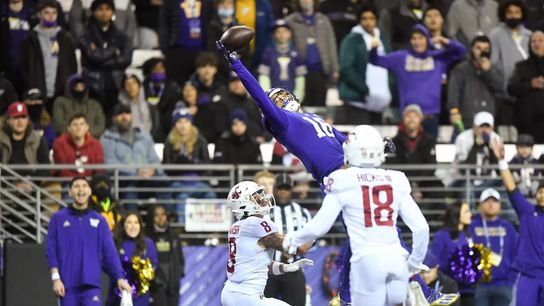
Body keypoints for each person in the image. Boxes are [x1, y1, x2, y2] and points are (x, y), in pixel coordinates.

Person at [218, 37, 454, 305]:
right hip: (339, 176)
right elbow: (258, 93)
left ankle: (346, 297)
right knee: (387, 232)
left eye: (283, 94)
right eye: (276, 99)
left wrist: (377, 144)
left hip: (352, 172)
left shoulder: (311, 118)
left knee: (364, 235)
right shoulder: (283, 123)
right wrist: (237, 63)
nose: (283, 97)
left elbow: (340, 137)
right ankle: (421, 293)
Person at [283, 125, 430, 306]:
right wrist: (414, 264)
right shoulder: (397, 178)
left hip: (367, 261)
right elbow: (422, 227)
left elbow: (319, 226)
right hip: (397, 259)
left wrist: (293, 239)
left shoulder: (342, 179)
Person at [221, 180, 314, 306]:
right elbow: (286, 244)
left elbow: (262, 266)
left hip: (232, 292)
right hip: (246, 296)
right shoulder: (256, 224)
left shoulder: (237, 226)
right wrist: (315, 229)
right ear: (242, 204)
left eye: (260, 193)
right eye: (255, 196)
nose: (262, 198)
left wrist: (285, 268)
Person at [45, 176, 132, 305]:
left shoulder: (100, 221)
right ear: (70, 192)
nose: (81, 190)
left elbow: (110, 252)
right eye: (76, 186)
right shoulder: (58, 218)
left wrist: (119, 277)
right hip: (66, 287)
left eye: (84, 186)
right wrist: (56, 279)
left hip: (92, 287)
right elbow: (51, 251)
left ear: (90, 191)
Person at [369, 24, 466, 138]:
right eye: (414, 38)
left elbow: (461, 51)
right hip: (409, 117)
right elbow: (376, 60)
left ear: (427, 39)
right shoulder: (400, 58)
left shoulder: (438, 58)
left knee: (429, 153)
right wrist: (374, 49)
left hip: (430, 116)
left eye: (421, 38)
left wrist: (444, 41)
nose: (417, 42)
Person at [491, 138, 544, 306]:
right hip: (527, 276)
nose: (542, 195)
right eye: (540, 191)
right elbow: (511, 188)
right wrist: (501, 161)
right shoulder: (528, 211)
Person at [100, 103, 170, 210]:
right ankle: (132, 224)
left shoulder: (144, 137)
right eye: (120, 114)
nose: (124, 117)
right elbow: (110, 164)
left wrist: (153, 170)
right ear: (114, 118)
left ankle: (165, 222)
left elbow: (154, 160)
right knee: (129, 191)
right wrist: (136, 171)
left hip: (147, 179)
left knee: (163, 183)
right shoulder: (107, 139)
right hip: (124, 181)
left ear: (132, 116)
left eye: (127, 113)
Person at [338, 3, 393, 124]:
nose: (368, 22)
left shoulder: (382, 39)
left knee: (376, 141)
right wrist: (364, 89)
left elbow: (390, 65)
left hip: (379, 102)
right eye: (364, 19)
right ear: (359, 21)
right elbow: (346, 68)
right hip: (358, 101)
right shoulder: (352, 39)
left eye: (371, 18)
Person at [264, 173, 313, 306]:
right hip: (267, 269)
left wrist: (297, 249)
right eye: (280, 189)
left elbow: (311, 237)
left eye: (286, 189)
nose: (283, 193)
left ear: (291, 190)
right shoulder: (264, 211)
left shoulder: (302, 212)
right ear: (274, 189)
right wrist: (285, 245)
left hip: (293, 267)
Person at [20, 0, 77, 112]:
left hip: (60, 93)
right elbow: (24, 67)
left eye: (54, 13)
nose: (50, 16)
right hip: (37, 94)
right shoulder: (30, 39)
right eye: (46, 13)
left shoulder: (65, 38)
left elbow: (72, 65)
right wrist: (30, 86)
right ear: (39, 14)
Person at [80, 0, 132, 116]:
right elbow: (91, 56)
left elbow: (126, 59)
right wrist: (113, 51)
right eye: (100, 9)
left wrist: (101, 59)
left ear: (113, 12)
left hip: (115, 84)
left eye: (107, 9)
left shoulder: (121, 36)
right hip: (92, 85)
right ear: (93, 12)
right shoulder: (86, 35)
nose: (104, 13)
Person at [162, 108, 215, 221]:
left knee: (211, 195)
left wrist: (194, 163)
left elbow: (208, 166)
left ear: (190, 123)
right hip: (177, 182)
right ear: (175, 124)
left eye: (186, 121)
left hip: (198, 182)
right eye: (179, 122)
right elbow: (166, 167)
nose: (183, 125)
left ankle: (210, 231)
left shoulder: (200, 140)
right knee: (182, 198)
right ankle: (182, 231)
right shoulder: (169, 141)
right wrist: (178, 165)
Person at [469, 188, 517, 306]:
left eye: (494, 201)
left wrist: (511, 279)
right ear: (480, 205)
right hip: (480, 285)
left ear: (500, 205)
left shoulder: (508, 227)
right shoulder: (471, 226)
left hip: (504, 284)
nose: (491, 204)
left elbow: (516, 253)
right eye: (487, 201)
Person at [285, 0, 339, 106]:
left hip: (321, 71)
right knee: (300, 105)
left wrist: (335, 69)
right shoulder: (291, 21)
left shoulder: (323, 19)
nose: (306, 1)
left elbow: (331, 45)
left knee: (319, 106)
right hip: (299, 73)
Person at [489, 0, 532, 125]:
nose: (513, 16)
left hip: (525, 93)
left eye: (517, 12)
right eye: (510, 13)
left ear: (522, 14)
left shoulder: (530, 35)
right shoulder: (495, 35)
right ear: (504, 14)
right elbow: (492, 63)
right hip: (502, 95)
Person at [448, 34, 503, 130]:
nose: (482, 52)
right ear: (472, 49)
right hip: (465, 120)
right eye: (478, 48)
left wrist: (488, 71)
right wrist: (454, 111)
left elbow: (500, 87)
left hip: (487, 122)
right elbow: (453, 92)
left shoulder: (494, 69)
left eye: (486, 49)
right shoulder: (461, 69)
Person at [386, 104, 438, 202]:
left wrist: (417, 182)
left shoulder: (429, 140)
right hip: (400, 181)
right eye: (408, 116)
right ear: (403, 119)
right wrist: (409, 182)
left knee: (438, 189)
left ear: (420, 119)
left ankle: (435, 216)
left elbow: (432, 164)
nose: (412, 119)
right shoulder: (394, 142)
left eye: (415, 116)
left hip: (424, 181)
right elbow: (391, 164)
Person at [108, 211, 158, 306]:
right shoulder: (114, 242)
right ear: (123, 225)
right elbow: (109, 265)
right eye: (129, 222)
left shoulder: (148, 243)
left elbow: (154, 265)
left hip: (140, 296)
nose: (133, 226)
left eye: (136, 222)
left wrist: (145, 272)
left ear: (140, 225)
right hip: (116, 294)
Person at [159, 0, 214, 86]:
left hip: (201, 51)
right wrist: (165, 49)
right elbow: (164, 25)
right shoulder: (170, 2)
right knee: (178, 86)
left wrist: (210, 50)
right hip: (177, 51)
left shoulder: (208, 2)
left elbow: (211, 23)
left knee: (201, 86)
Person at [451, 111, 501, 203]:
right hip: (462, 180)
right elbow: (463, 169)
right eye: (481, 126)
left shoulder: (496, 139)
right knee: (468, 188)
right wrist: (476, 145)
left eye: (487, 127)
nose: (484, 130)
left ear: (492, 128)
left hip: (487, 181)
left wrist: (490, 149)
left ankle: (508, 217)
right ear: (474, 126)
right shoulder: (463, 138)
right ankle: (471, 216)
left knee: (503, 184)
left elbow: (498, 170)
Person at [431, 202, 473, 306]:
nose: (470, 214)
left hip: (468, 290)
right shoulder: (441, 235)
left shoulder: (467, 234)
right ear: (456, 214)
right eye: (466, 211)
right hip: (448, 290)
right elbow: (434, 262)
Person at [0, 102, 50, 187]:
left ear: (27, 120)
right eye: (16, 117)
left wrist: (30, 182)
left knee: (54, 187)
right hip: (6, 187)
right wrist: (14, 184)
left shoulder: (38, 139)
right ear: (8, 120)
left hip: (32, 185)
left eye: (23, 117)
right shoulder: (1, 139)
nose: (20, 121)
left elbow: (45, 166)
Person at [507, 30, 544, 143]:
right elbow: (511, 88)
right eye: (533, 41)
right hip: (527, 122)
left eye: (541, 41)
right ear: (529, 45)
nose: (536, 44)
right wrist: (530, 84)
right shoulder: (520, 66)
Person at [146, 204, 185, 306]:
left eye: (163, 214)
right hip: (156, 286)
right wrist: (154, 280)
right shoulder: (147, 237)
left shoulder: (173, 236)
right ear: (151, 218)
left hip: (173, 284)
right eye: (156, 215)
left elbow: (180, 258)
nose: (161, 217)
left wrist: (178, 274)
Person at [258, 19, 306, 100]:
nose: (281, 34)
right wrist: (268, 97)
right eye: (278, 32)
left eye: (285, 31)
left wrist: (297, 98)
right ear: (273, 35)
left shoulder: (296, 54)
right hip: (273, 99)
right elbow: (264, 77)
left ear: (290, 33)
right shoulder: (268, 54)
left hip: (292, 99)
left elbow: (300, 79)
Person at [187, 52, 229, 143]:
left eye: (210, 66)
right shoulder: (190, 89)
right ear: (197, 70)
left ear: (215, 69)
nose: (207, 70)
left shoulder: (221, 89)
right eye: (203, 66)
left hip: (218, 138)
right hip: (197, 137)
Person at [142, 57, 182, 143]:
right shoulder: (143, 87)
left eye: (161, 68)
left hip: (167, 125)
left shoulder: (173, 88)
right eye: (154, 69)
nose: (158, 71)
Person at [52, 113, 104, 178]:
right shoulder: (59, 143)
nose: (78, 128)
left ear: (87, 127)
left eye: (82, 124)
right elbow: (63, 170)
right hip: (66, 183)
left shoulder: (96, 144)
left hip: (90, 183)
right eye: (75, 124)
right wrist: (78, 183)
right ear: (69, 128)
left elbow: (99, 170)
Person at [118, 74, 161, 139]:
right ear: (124, 89)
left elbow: (156, 126)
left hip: (148, 142)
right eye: (127, 84)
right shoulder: (119, 109)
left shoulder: (151, 107)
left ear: (139, 86)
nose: (131, 87)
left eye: (134, 83)